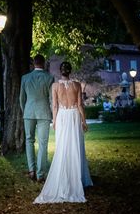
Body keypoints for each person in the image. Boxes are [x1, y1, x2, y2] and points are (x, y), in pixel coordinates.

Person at [34, 61, 92, 204]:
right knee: (76, 146)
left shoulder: (55, 86)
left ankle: (65, 177)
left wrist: (54, 121)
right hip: (73, 116)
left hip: (62, 116)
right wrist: (84, 121)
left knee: (62, 147)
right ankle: (76, 177)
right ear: (70, 71)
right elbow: (80, 105)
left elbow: (54, 105)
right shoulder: (77, 85)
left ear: (60, 71)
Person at [20, 54, 54, 183]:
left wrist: (26, 111)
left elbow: (21, 99)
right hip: (44, 113)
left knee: (29, 140)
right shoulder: (49, 78)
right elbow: (51, 99)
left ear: (34, 63)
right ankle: (40, 174)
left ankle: (31, 170)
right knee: (43, 143)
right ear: (43, 63)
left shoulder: (25, 78)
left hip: (28, 113)